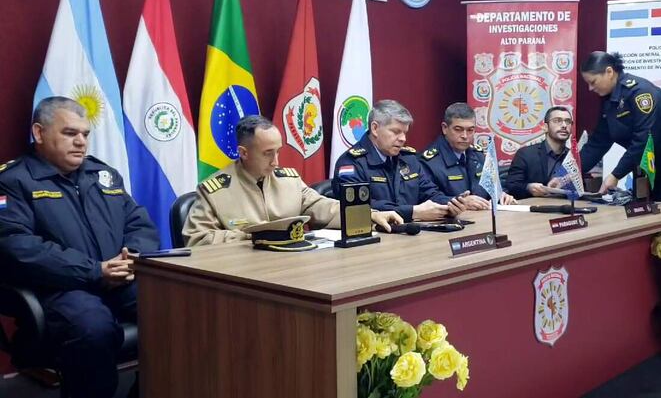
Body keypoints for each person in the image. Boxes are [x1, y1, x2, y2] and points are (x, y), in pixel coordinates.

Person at [0, 97, 159, 398]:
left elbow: (138, 222)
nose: (81, 142)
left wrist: (132, 256)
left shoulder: (103, 175)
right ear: (39, 133)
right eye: (70, 133)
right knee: (93, 329)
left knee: (173, 307)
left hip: (118, 278)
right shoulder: (13, 181)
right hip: (58, 288)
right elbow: (17, 247)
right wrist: (95, 271)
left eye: (85, 134)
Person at [183, 115, 403, 246]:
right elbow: (196, 238)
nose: (276, 162)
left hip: (292, 271)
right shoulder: (215, 190)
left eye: (278, 151)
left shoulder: (288, 180)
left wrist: (370, 214)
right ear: (244, 152)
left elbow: (325, 208)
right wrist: (250, 237)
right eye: (267, 153)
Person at [579, 51, 661, 203]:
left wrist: (615, 175)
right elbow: (597, 143)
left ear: (609, 72)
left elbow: (645, 140)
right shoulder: (609, 100)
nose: (590, 88)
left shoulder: (641, 93)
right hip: (654, 168)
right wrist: (566, 176)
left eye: (593, 82)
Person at [333, 100, 467, 222]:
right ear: (375, 128)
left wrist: (452, 203)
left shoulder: (408, 159)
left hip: (411, 234)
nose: (403, 138)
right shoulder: (351, 163)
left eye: (405, 132)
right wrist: (412, 212)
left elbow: (429, 192)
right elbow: (359, 208)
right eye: (396, 132)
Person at [421, 102, 516, 209]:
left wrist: (501, 195)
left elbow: (493, 187)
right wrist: (461, 202)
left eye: (470, 130)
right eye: (458, 129)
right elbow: (428, 197)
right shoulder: (428, 162)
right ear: (444, 128)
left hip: (483, 218)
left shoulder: (478, 155)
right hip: (451, 221)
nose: (465, 136)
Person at [505, 106, 573, 199]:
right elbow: (511, 185)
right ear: (545, 127)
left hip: (566, 208)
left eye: (568, 121)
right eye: (557, 120)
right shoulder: (526, 154)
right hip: (534, 209)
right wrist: (528, 188)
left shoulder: (573, 157)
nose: (564, 125)